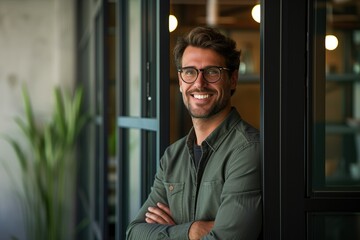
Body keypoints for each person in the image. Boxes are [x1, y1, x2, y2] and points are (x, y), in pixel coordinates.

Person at [126, 26, 262, 240]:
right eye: (189, 72)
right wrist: (193, 231)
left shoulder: (248, 151)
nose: (199, 83)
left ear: (233, 79)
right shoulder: (172, 156)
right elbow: (134, 232)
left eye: (212, 72)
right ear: (180, 82)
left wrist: (169, 232)